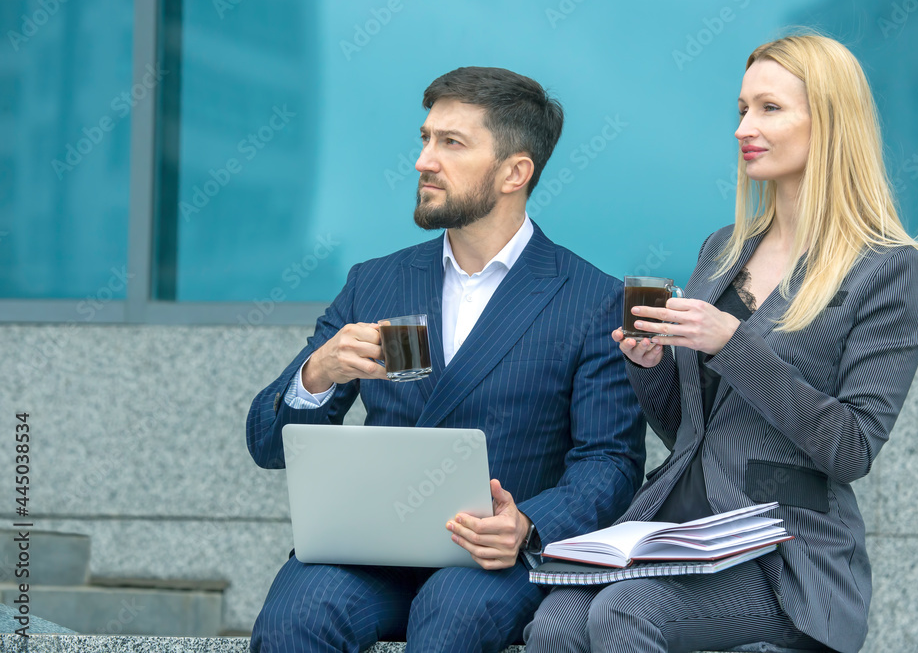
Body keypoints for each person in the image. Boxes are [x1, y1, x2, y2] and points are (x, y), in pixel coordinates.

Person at [525, 34, 918, 653]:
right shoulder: (724, 250)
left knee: (623, 612)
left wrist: (732, 343)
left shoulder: (887, 270)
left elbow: (851, 448)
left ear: (831, 123)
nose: (743, 128)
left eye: (770, 108)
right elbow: (692, 435)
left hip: (786, 559)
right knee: (557, 621)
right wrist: (650, 368)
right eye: (742, 109)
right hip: (685, 534)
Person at [245, 66, 646, 653]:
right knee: (296, 614)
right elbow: (266, 444)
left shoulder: (592, 299)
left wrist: (529, 526)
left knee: (453, 614)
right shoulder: (374, 283)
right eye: (425, 139)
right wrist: (318, 373)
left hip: (494, 561)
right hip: (368, 556)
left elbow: (609, 461)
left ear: (515, 172)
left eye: (451, 143)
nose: (423, 161)